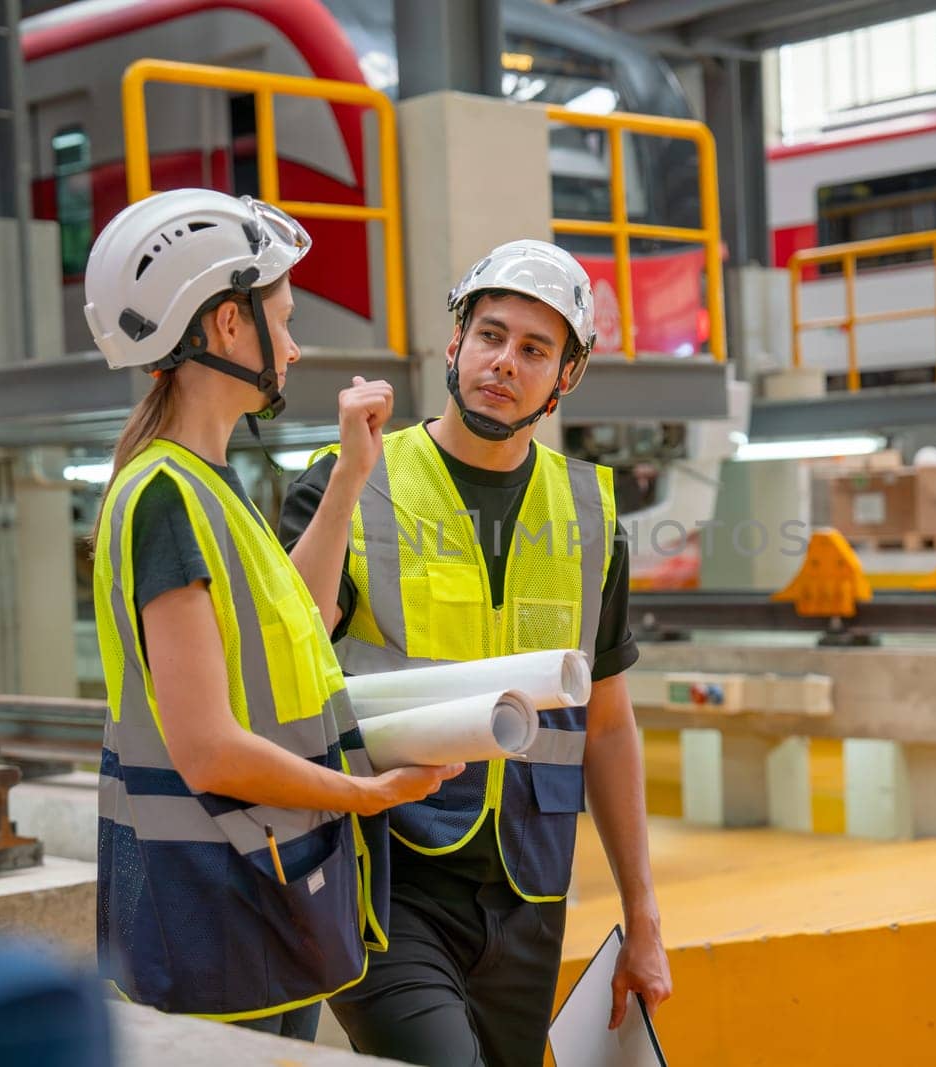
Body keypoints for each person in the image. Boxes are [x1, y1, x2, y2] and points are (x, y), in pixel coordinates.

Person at [279, 238, 672, 1065]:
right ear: (454, 343)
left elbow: (605, 726)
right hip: (386, 871)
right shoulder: (351, 481)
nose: (505, 362)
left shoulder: (589, 513)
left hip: (530, 891)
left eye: (535, 349)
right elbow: (286, 640)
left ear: (567, 376)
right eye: (491, 335)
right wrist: (348, 482)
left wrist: (644, 919)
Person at [82, 188, 461, 1037]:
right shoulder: (165, 498)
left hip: (260, 887)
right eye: (280, 319)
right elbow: (207, 749)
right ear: (224, 325)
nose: (291, 345)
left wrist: (352, 478)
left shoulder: (207, 484)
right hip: (216, 908)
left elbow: (305, 615)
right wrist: (365, 795)